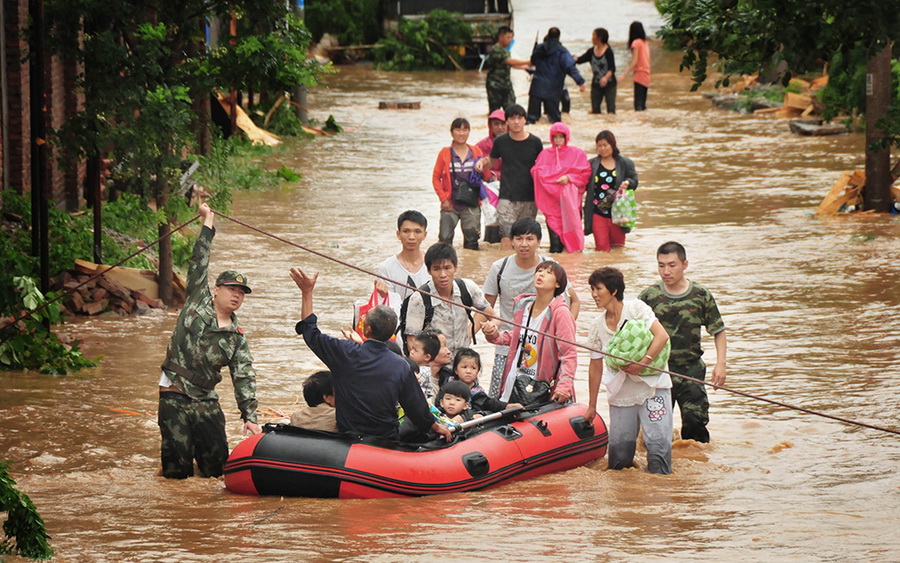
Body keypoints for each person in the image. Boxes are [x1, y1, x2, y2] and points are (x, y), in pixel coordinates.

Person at [157, 203, 261, 480]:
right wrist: (208, 222)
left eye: (241, 292)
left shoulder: (238, 340)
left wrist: (249, 416)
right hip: (174, 394)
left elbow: (244, 377)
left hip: (206, 400)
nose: (236, 295)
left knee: (216, 471)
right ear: (216, 290)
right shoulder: (196, 302)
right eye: (231, 289)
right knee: (176, 473)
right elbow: (199, 261)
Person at [290, 267, 452, 442]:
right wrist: (435, 426)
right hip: (385, 440)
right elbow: (417, 408)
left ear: (367, 329)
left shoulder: (345, 352)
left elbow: (310, 333)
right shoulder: (400, 366)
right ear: (393, 332)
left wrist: (307, 293)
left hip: (348, 439)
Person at [582, 267, 672, 474]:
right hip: (622, 392)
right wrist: (592, 405)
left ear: (613, 290)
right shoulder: (596, 326)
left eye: (598, 289)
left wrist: (642, 363)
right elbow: (595, 366)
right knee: (619, 455)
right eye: (591, 290)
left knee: (658, 446)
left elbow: (662, 336)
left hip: (652, 387)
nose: (594, 295)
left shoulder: (636, 309)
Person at [481, 217, 581, 397]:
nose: (524, 244)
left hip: (544, 358)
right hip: (510, 352)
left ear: (539, 242)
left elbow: (569, 352)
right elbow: (486, 308)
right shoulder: (522, 305)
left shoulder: (552, 268)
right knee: (499, 399)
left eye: (529, 239)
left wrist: (562, 329)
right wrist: (490, 330)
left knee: (542, 406)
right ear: (511, 241)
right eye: (519, 238)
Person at [639, 241, 727, 443]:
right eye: (661, 265)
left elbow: (718, 330)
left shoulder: (701, 295)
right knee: (655, 431)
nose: (666, 271)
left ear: (685, 264)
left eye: (672, 265)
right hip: (658, 371)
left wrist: (721, 365)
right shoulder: (648, 297)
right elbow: (632, 332)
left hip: (691, 371)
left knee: (696, 429)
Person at [482, 261, 577, 404]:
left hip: (540, 387)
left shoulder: (561, 313)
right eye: (539, 271)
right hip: (514, 380)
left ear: (558, 284)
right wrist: (493, 334)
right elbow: (516, 338)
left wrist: (564, 386)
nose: (541, 274)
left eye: (548, 273)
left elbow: (568, 353)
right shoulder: (524, 307)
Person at [402, 242, 494, 355]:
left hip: (462, 364)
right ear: (428, 270)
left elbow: (492, 316)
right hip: (434, 365)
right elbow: (412, 341)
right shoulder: (419, 298)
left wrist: (472, 332)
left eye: (447, 268)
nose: (443, 274)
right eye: (436, 269)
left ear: (455, 267)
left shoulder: (468, 288)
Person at [475, 104, 544, 250]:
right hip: (507, 197)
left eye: (520, 118)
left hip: (530, 197)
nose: (516, 122)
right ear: (507, 122)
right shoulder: (501, 141)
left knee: (525, 236)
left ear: (525, 120)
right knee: (506, 235)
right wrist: (481, 163)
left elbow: (543, 167)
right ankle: (505, 268)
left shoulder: (535, 143)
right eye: (512, 118)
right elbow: (491, 161)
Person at [531, 122, 592, 253]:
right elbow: (537, 173)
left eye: (561, 136)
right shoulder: (544, 155)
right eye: (555, 137)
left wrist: (569, 178)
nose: (558, 140)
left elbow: (585, 175)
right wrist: (554, 183)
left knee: (572, 245)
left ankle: (571, 270)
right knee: (555, 246)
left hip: (571, 204)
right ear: (551, 138)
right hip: (551, 206)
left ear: (566, 137)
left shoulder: (577, 154)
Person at [432, 117, 484, 250]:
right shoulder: (444, 153)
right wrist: (443, 199)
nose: (461, 133)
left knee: (472, 242)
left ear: (469, 132)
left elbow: (484, 174)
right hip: (450, 203)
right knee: (444, 241)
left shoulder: (476, 151)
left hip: (471, 203)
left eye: (465, 130)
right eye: (458, 130)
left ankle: (471, 269)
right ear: (452, 132)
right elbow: (436, 178)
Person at [583, 130, 638, 252]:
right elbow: (582, 183)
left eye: (605, 145)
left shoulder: (625, 163)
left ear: (612, 145)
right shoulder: (591, 164)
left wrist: (627, 183)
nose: (602, 149)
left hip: (618, 212)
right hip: (598, 212)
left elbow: (634, 181)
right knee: (602, 249)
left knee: (618, 249)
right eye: (599, 146)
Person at [526, 27, 585, 125]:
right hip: (553, 90)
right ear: (559, 37)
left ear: (548, 35)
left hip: (537, 87)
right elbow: (570, 67)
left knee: (532, 119)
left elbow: (533, 61)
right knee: (554, 120)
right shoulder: (562, 52)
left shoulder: (539, 48)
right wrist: (580, 82)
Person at [376, 210, 431, 301]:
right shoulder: (386, 268)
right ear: (398, 234)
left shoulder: (434, 265)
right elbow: (387, 310)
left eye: (417, 232)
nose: (411, 237)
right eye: (406, 231)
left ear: (424, 235)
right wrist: (385, 296)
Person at [447, 347, 521, 413]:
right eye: (464, 367)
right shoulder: (448, 383)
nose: (468, 371)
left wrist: (506, 406)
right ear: (456, 370)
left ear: (478, 371)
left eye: (473, 368)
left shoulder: (477, 391)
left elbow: (489, 402)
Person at [483, 26, 532, 113]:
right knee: (495, 112)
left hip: (506, 85)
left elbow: (509, 65)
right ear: (501, 37)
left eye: (511, 38)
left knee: (512, 110)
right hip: (495, 85)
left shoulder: (505, 50)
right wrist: (527, 62)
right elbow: (509, 61)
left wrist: (524, 67)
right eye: (508, 37)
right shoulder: (496, 49)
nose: (510, 40)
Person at [476, 109, 507, 244]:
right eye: (496, 124)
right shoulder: (482, 145)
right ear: (490, 126)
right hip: (489, 189)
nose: (499, 127)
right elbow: (477, 164)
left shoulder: (513, 142)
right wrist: (491, 175)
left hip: (510, 187)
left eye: (502, 123)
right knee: (491, 219)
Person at [575, 28, 616, 114]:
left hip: (610, 84)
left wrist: (605, 78)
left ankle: (611, 124)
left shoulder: (608, 51)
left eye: (593, 35)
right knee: (595, 110)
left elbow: (612, 68)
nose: (592, 38)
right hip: (596, 84)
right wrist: (573, 58)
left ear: (599, 38)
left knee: (611, 110)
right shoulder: (591, 51)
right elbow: (580, 60)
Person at [618, 21, 651, 111]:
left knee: (638, 105)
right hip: (647, 74)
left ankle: (639, 123)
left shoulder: (636, 43)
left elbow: (635, 61)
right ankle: (644, 121)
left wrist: (623, 75)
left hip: (639, 74)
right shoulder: (645, 43)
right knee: (643, 103)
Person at [408, 329, 442, 399]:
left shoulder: (422, 371)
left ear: (427, 357)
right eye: (412, 349)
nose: (411, 352)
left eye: (415, 350)